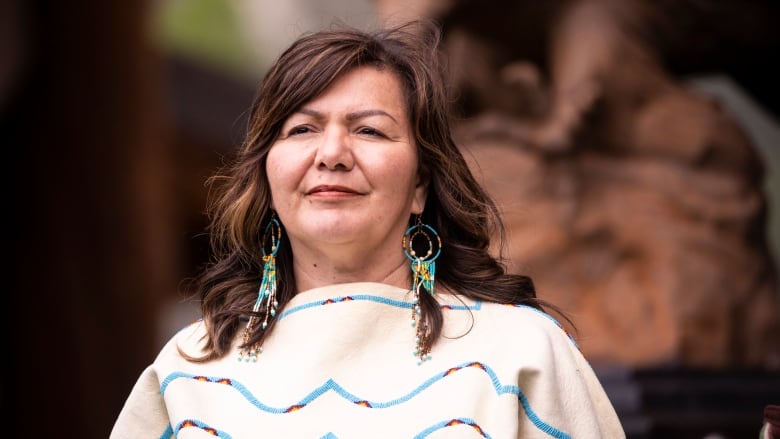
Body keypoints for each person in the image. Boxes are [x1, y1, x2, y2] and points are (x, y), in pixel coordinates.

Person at [110, 19, 625, 438]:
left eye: (369, 130)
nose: (331, 154)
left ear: (421, 182)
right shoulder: (188, 368)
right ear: (268, 176)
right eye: (303, 129)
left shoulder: (523, 353)